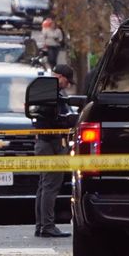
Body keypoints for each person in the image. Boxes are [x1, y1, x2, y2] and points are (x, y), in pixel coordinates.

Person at [35, 64, 74, 238]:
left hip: (44, 143)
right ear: (61, 77)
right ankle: (48, 226)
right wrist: (70, 120)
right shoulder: (51, 96)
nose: (67, 85)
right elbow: (55, 120)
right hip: (52, 144)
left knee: (44, 186)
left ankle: (41, 225)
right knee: (50, 185)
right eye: (67, 81)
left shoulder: (44, 92)